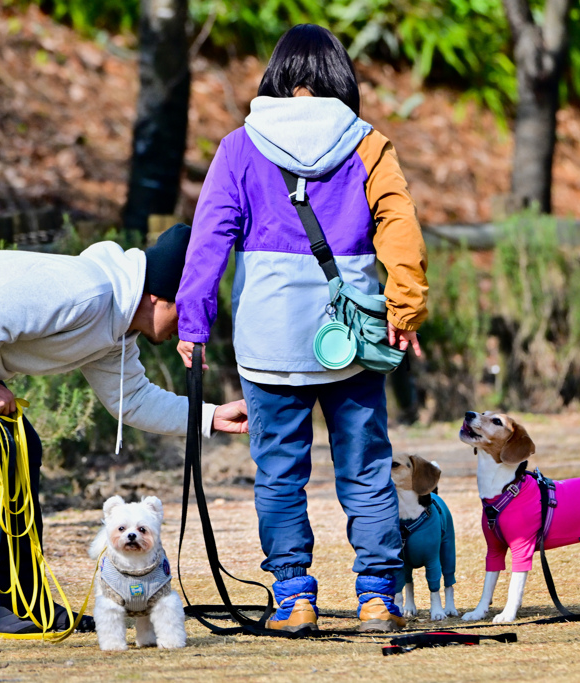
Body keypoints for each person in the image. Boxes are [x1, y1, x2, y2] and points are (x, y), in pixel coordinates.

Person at [0, 223, 249, 636]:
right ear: (159, 297)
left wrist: (209, 416)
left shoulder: (117, 327)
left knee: (22, 446)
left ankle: (23, 600)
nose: (189, 328)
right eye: (189, 312)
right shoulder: (89, 292)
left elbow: (131, 401)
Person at [176, 25, 428, 633]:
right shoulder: (369, 145)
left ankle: (294, 598)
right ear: (339, 78)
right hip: (354, 338)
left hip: (270, 340)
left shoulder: (239, 147)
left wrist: (194, 320)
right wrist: (404, 305)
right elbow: (399, 226)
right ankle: (376, 597)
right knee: (366, 468)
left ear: (279, 77)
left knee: (280, 474)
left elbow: (209, 236)